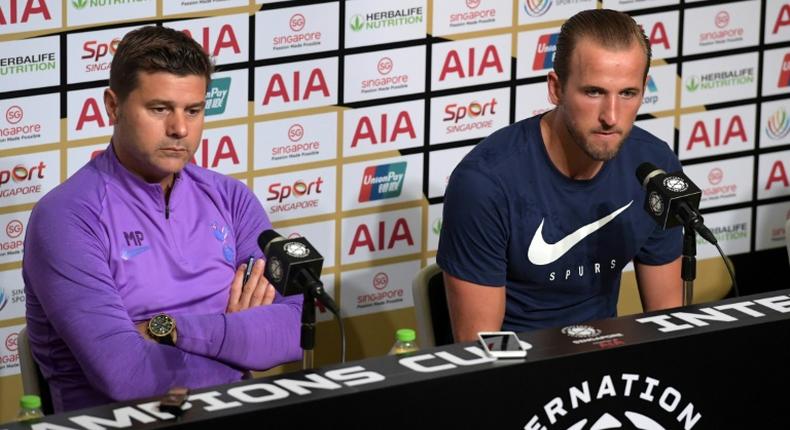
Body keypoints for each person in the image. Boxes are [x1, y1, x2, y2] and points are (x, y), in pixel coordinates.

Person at [22, 26, 302, 413]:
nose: (180, 129)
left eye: (193, 110)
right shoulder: (67, 217)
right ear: (113, 105)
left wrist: (168, 330)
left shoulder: (231, 199)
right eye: (159, 109)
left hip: (232, 414)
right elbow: (127, 374)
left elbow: (294, 329)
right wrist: (236, 334)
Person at [437, 9, 683, 342]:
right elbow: (482, 347)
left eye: (627, 93)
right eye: (593, 92)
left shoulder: (654, 167)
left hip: (606, 369)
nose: (611, 117)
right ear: (556, 89)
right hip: (517, 371)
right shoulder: (484, 183)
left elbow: (666, 323)